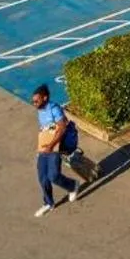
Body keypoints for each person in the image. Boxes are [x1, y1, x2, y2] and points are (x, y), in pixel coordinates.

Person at [31, 85, 86, 216]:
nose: (34, 104)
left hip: (55, 147)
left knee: (53, 176)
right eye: (33, 101)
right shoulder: (40, 110)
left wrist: (51, 145)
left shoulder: (54, 109)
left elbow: (61, 128)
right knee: (42, 178)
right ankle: (48, 203)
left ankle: (73, 186)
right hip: (43, 147)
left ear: (45, 98)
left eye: (36, 101)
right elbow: (45, 128)